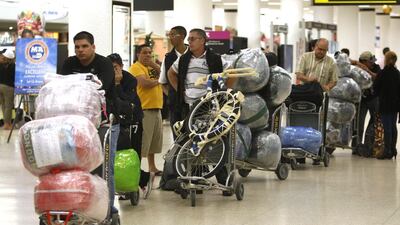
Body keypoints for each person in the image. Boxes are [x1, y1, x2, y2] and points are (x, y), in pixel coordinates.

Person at [60, 31, 120, 215]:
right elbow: (61, 86)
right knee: (72, 166)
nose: (80, 50)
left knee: (103, 168)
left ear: (93, 47)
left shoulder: (104, 64)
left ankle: (107, 209)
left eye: (84, 46)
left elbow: (100, 88)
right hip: (74, 123)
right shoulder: (69, 63)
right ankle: (76, 205)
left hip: (103, 122)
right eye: (77, 47)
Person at [167, 28, 233, 187]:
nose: (189, 42)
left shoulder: (216, 59)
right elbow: (171, 73)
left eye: (192, 39)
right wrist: (180, 91)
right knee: (192, 141)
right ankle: (196, 177)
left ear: (203, 40)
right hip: (189, 106)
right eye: (188, 39)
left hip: (211, 107)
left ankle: (223, 179)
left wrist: (224, 93)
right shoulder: (183, 59)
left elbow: (231, 74)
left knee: (216, 139)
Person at [107, 53, 155, 199]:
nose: (113, 71)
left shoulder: (129, 80)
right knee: (118, 154)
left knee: (133, 152)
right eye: (110, 68)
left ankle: (142, 180)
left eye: (115, 67)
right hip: (115, 120)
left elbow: (127, 101)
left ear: (121, 66)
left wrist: (116, 84)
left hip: (133, 120)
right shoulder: (105, 78)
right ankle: (130, 182)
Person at [295, 38, 339, 158]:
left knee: (319, 123)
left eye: (324, 50)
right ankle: (300, 150)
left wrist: (327, 87)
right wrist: (308, 79)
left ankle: (318, 149)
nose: (321, 52)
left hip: (320, 96)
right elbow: (298, 74)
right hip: (304, 94)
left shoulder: (331, 62)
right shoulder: (305, 57)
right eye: (319, 49)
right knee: (303, 121)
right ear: (314, 47)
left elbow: (334, 80)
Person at [128, 44, 163, 176]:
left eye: (149, 52)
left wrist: (155, 66)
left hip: (156, 107)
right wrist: (159, 80)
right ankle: (136, 169)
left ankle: (152, 167)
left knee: (154, 142)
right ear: (138, 55)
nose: (148, 55)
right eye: (144, 52)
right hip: (144, 109)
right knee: (143, 142)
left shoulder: (151, 67)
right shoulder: (135, 67)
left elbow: (164, 73)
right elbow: (144, 83)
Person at [159, 26, 188, 139]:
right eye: (169, 35)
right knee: (178, 135)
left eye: (172, 35)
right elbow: (162, 82)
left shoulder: (194, 55)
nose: (170, 37)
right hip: (175, 105)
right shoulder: (168, 58)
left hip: (193, 101)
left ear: (181, 36)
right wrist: (172, 95)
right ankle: (178, 156)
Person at [351, 51, 381, 155]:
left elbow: (378, 77)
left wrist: (367, 70)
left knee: (375, 121)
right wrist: (359, 65)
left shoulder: (376, 67)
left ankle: (369, 144)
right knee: (358, 123)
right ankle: (356, 146)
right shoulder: (356, 69)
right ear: (363, 61)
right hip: (361, 100)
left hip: (373, 98)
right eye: (370, 61)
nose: (373, 63)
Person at [374, 51, 400, 160]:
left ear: (386, 59)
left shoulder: (382, 73)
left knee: (387, 127)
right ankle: (393, 149)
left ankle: (387, 151)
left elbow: (376, 89)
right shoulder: (397, 73)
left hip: (385, 103)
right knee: (393, 126)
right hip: (395, 104)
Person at [0, 49, 15, 130]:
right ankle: (7, 124)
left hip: (0, 86)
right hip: (9, 87)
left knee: (3, 105)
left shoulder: (1, 64)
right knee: (8, 106)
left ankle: (6, 123)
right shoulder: (13, 66)